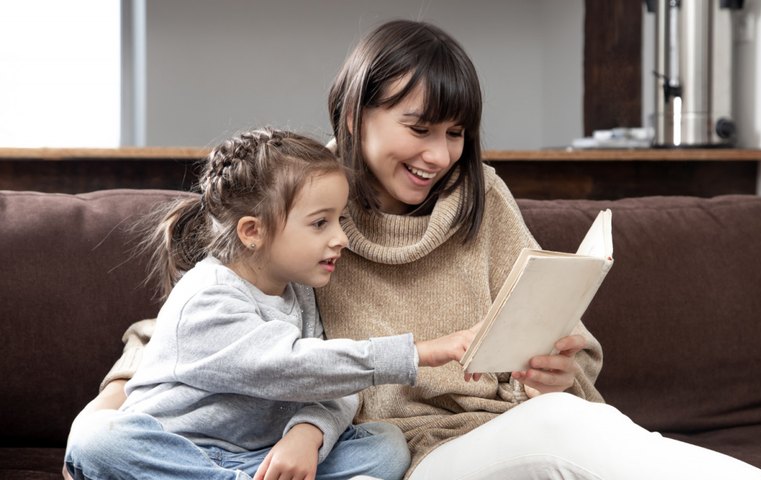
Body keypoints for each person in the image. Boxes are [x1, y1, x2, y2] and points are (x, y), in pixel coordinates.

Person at [66, 20, 761, 480]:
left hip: (512, 427)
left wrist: (560, 369)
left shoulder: (483, 197)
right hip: (409, 453)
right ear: (355, 114)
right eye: (420, 128)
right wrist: (102, 414)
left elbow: (573, 346)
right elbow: (190, 330)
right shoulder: (302, 211)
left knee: (574, 422)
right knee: (566, 432)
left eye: (455, 134)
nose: (439, 155)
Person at [63, 127, 481, 480]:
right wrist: (414, 353)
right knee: (97, 440)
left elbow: (334, 386)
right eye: (320, 223)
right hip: (176, 453)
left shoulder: (300, 292)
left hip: (257, 459)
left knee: (386, 447)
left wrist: (307, 433)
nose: (340, 238)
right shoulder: (206, 296)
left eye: (338, 220)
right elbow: (291, 365)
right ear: (252, 231)